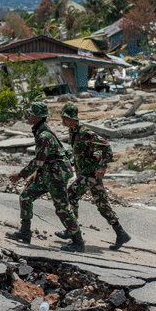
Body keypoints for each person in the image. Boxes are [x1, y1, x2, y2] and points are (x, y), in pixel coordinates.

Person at [6, 102, 84, 252]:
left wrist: (20, 175)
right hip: (48, 173)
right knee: (26, 196)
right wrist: (35, 174)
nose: (28, 116)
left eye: (30, 114)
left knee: (62, 208)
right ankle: (25, 232)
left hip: (56, 175)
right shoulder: (41, 131)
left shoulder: (44, 136)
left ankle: (78, 241)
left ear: (36, 117)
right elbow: (43, 159)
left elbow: (38, 161)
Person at [57, 103, 131, 250]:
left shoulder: (85, 132)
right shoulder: (73, 131)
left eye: (64, 118)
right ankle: (121, 233)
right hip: (86, 172)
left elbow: (106, 146)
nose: (62, 121)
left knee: (70, 195)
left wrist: (103, 165)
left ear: (71, 119)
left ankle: (72, 232)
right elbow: (82, 151)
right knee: (102, 204)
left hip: (90, 173)